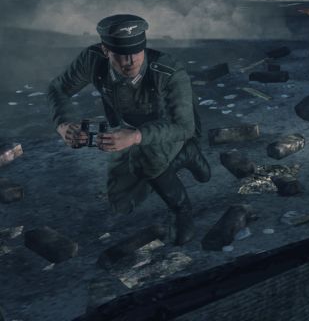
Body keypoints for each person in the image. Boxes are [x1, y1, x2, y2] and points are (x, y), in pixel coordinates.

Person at [47, 14, 211, 245]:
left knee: (150, 161)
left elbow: (183, 126)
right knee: (121, 203)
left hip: (168, 128)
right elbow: (58, 88)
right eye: (121, 54)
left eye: (136, 52)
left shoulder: (169, 71)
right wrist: (63, 124)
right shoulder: (93, 59)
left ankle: (181, 209)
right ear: (106, 50)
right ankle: (182, 158)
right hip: (126, 127)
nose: (130, 61)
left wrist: (136, 137)